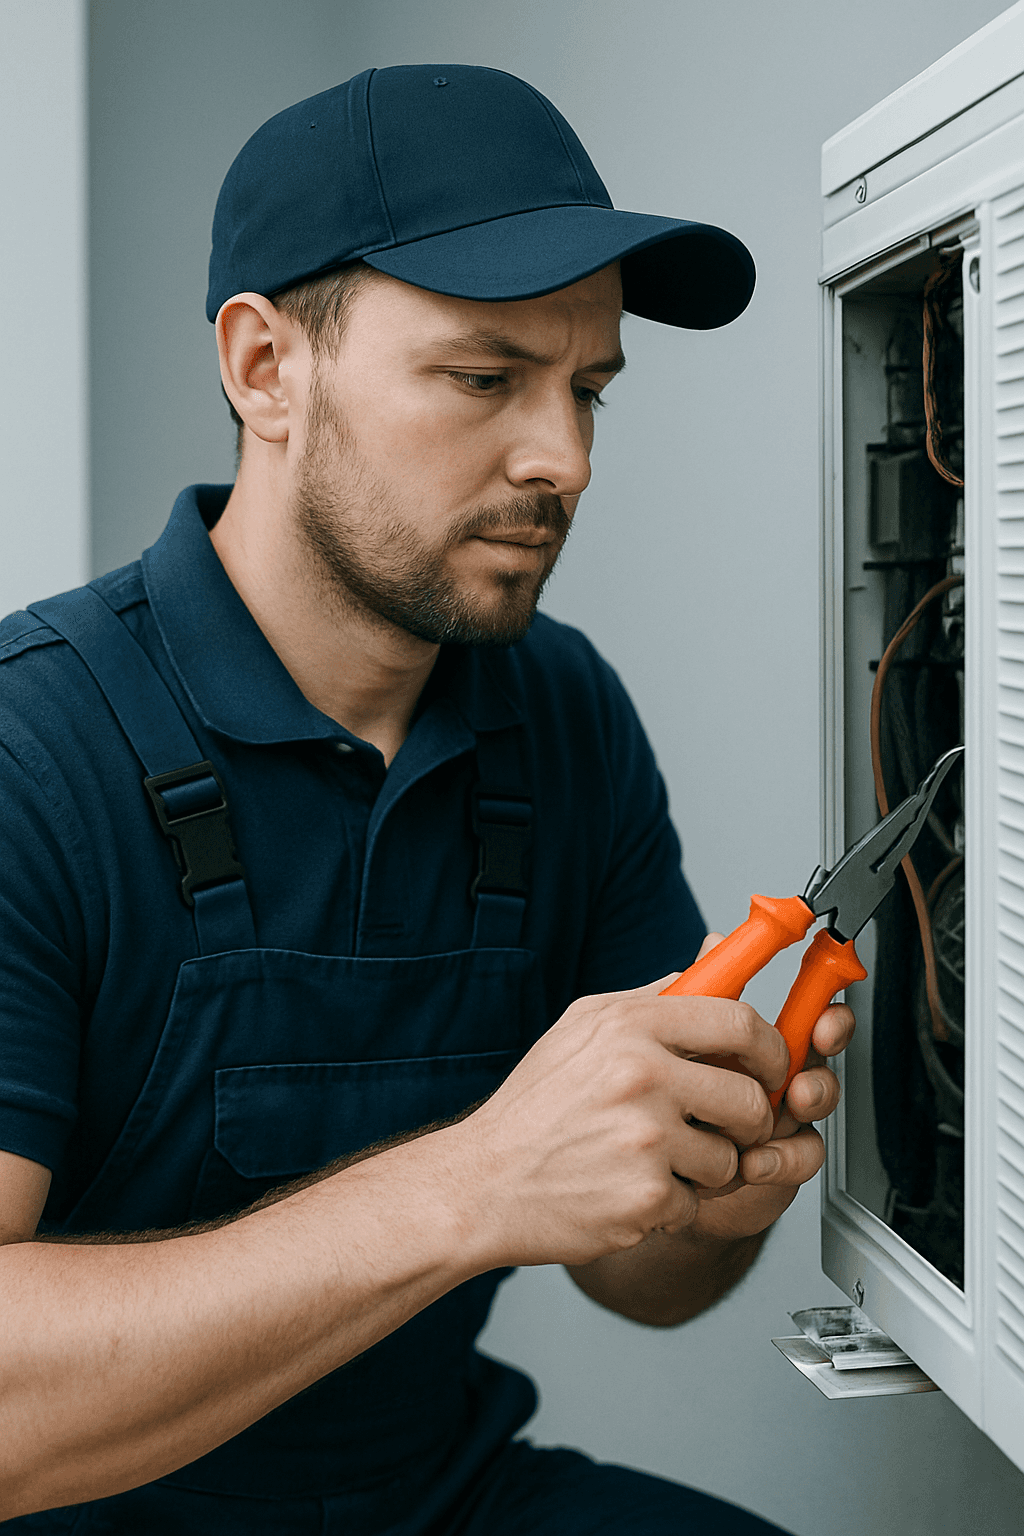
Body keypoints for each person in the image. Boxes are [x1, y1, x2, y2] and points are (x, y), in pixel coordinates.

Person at [0, 64, 852, 1534]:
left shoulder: (559, 714)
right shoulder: (32, 751)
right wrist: (473, 1183)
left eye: (587, 389)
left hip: (435, 1497)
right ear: (266, 369)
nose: (564, 460)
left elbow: (643, 1282)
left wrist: (716, 1189)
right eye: (484, 378)